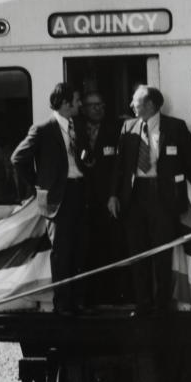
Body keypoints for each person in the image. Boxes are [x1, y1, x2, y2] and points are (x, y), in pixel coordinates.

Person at [107, 85, 191, 313]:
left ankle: (161, 303)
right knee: (138, 251)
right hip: (134, 197)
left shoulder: (175, 127)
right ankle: (143, 303)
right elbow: (118, 166)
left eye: (135, 101)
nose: (131, 105)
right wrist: (112, 195)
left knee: (162, 251)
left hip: (163, 197)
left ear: (150, 105)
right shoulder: (127, 127)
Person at [11, 83, 89, 315]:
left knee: (80, 250)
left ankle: (78, 302)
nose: (80, 104)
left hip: (79, 193)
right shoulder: (43, 129)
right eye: (77, 100)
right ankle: (63, 305)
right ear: (65, 103)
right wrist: (39, 185)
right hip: (58, 199)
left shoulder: (78, 127)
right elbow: (17, 158)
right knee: (62, 252)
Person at [78, 91, 124, 304]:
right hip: (83, 199)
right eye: (92, 105)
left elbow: (118, 165)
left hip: (108, 199)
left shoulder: (116, 130)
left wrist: (113, 194)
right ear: (83, 108)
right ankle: (89, 297)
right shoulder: (75, 130)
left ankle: (112, 295)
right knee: (86, 249)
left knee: (110, 247)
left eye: (101, 105)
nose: (98, 109)